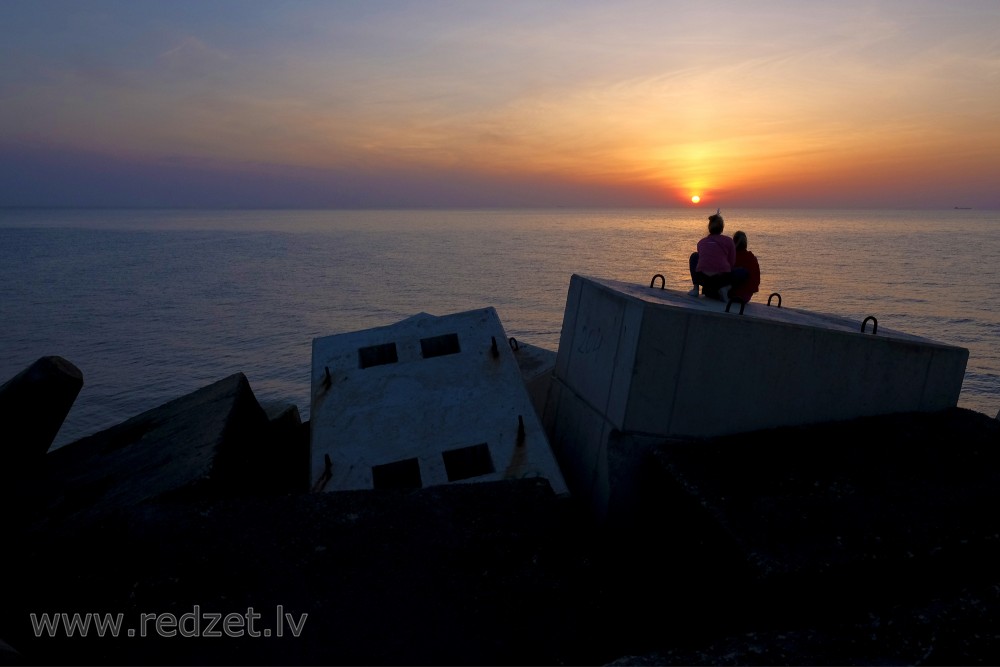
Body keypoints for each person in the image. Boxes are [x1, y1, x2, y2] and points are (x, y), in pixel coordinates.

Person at [688, 210, 736, 301]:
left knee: (694, 256)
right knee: (741, 271)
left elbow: (704, 259)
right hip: (720, 279)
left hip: (703, 278)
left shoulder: (701, 242)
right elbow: (732, 262)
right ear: (722, 228)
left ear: (709, 228)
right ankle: (725, 288)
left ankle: (695, 289)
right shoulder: (729, 241)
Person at [728, 230, 761, 303]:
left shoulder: (730, 256)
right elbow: (756, 280)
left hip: (731, 294)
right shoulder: (752, 258)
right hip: (746, 297)